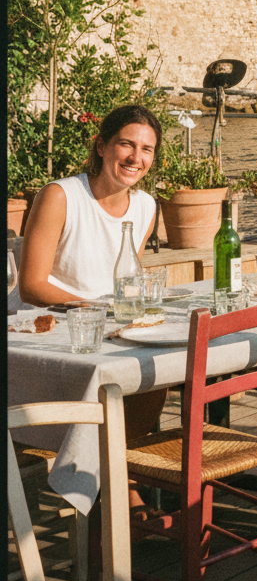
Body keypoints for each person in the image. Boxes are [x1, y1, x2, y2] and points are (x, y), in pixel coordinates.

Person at [11, 104, 169, 516]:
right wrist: (95, 307)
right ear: (101, 146)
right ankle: (117, 492)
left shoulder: (146, 207)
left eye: (147, 150)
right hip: (47, 333)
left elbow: (122, 279)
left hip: (105, 330)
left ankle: (119, 481)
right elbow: (31, 286)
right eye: (126, 145)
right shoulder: (61, 196)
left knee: (160, 372)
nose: (136, 158)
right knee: (132, 376)